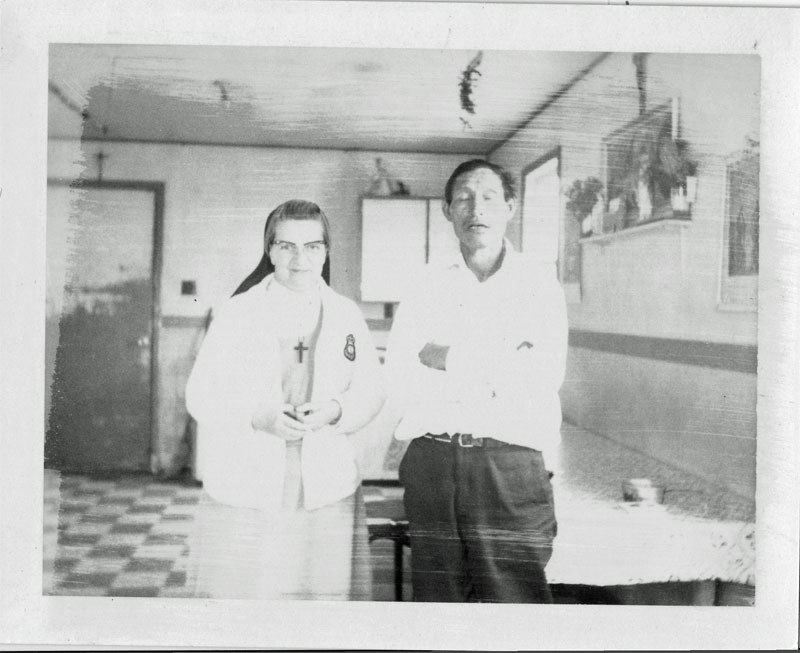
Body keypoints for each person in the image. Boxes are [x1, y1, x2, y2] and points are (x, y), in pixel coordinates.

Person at [384, 160, 568, 603]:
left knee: (516, 604)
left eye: (488, 197)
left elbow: (542, 377)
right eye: (464, 198)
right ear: (448, 210)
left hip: (510, 464)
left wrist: (447, 357)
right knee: (439, 602)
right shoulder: (425, 283)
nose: (476, 209)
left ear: (510, 207)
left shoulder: (539, 284)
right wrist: (503, 365)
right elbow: (401, 375)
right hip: (433, 462)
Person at [185, 199, 385, 600]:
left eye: (312, 246)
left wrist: (336, 410)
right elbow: (200, 394)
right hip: (249, 476)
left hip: (324, 480)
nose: (300, 259)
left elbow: (372, 390)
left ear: (326, 252)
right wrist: (257, 417)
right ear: (270, 250)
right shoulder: (238, 312)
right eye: (286, 246)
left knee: (320, 594)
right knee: (247, 593)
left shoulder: (345, 314)